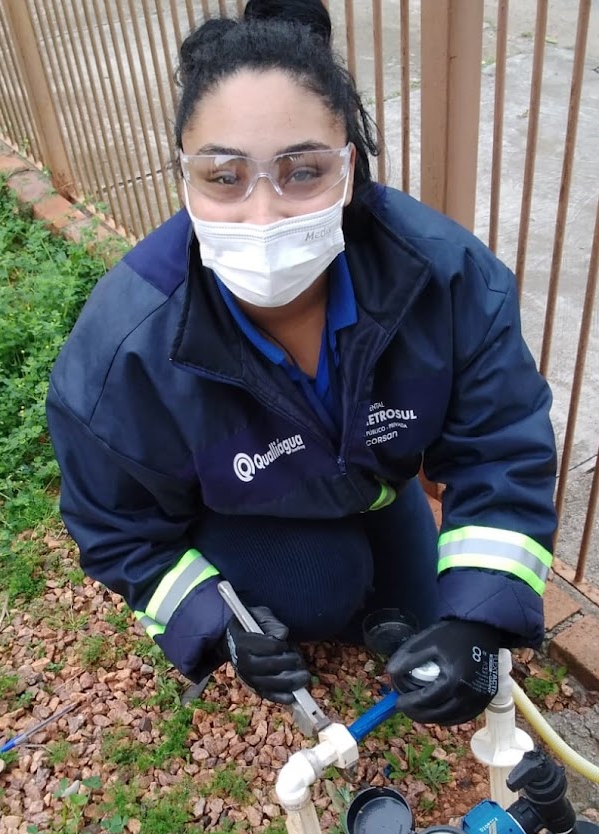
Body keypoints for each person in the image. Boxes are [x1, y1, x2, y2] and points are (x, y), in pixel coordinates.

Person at [46, 0, 557, 727]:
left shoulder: (442, 279)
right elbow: (116, 526)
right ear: (181, 178)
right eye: (224, 177)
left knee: (429, 605)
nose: (264, 214)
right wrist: (216, 621)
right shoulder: (125, 353)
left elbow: (501, 445)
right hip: (249, 508)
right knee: (320, 588)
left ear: (349, 167)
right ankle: (287, 571)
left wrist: (480, 617)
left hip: (370, 488)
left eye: (302, 171)